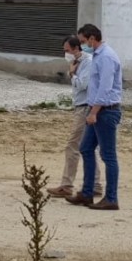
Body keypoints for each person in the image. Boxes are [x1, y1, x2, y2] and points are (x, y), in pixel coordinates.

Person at [65, 24, 123, 211]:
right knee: (85, 148)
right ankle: (87, 193)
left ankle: (111, 198)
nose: (82, 46)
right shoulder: (98, 55)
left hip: (104, 111)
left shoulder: (106, 57)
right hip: (97, 109)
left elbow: (105, 88)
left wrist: (94, 112)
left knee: (108, 155)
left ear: (92, 38)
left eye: (83, 42)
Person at [47, 36, 102, 198]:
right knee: (87, 147)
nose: (66, 54)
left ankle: (67, 185)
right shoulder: (80, 62)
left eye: (67, 50)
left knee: (74, 145)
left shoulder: (87, 62)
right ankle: (95, 185)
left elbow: (83, 85)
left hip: (85, 107)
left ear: (76, 48)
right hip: (82, 106)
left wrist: (72, 75)